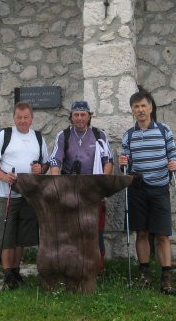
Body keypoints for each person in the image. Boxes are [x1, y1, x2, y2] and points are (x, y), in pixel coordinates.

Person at [118, 90, 176, 295]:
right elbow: (124, 164)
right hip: (138, 189)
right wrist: (122, 163)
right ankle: (144, 275)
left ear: (151, 108)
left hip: (160, 188)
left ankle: (166, 278)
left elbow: (174, 154)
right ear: (132, 111)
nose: (140, 110)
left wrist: (174, 163)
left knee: (162, 234)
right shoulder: (128, 135)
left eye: (143, 106)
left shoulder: (164, 131)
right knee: (141, 233)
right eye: (136, 107)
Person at [0, 101, 48, 290]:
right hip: (6, 194)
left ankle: (15, 271)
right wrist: (4, 177)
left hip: (27, 194)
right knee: (7, 235)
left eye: (26, 117)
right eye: (19, 117)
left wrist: (40, 168)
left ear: (31, 118)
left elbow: (45, 164)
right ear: (14, 118)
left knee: (22, 236)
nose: (22, 121)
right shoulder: (5, 135)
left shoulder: (38, 137)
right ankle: (7, 274)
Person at [48, 100, 113, 272]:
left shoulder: (99, 135)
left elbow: (108, 161)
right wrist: (56, 183)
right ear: (71, 117)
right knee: (70, 229)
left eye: (83, 114)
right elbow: (55, 159)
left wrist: (102, 182)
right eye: (76, 115)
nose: (79, 118)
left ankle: (96, 267)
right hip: (70, 188)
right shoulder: (64, 136)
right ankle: (71, 266)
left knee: (94, 229)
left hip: (93, 189)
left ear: (89, 116)